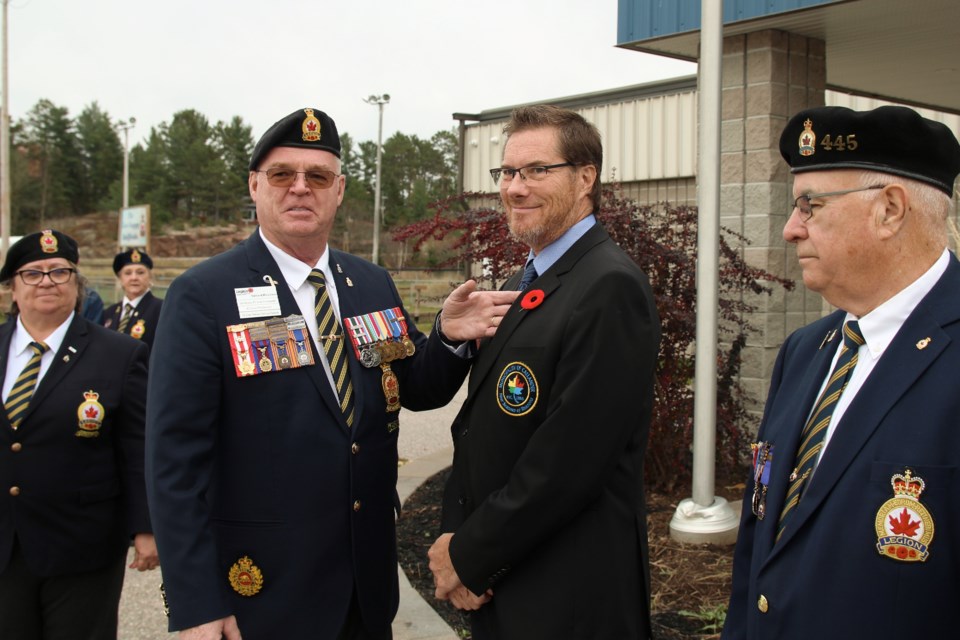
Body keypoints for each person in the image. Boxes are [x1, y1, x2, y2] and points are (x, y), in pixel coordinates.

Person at [145, 107, 516, 640]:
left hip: (363, 587)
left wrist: (450, 339)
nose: (300, 188)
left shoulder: (368, 283)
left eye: (317, 176)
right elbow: (173, 460)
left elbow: (413, 386)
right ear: (255, 186)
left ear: (338, 190)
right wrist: (195, 600)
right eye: (282, 175)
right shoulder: (204, 295)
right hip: (263, 590)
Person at [722, 106, 960, 639]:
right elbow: (759, 545)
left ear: (890, 210)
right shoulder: (806, 351)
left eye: (810, 206)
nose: (789, 229)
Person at [427, 105, 662, 639]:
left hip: (567, 592)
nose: (514, 188)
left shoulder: (608, 286)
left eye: (536, 170)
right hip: (510, 580)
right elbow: (486, 426)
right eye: (507, 173)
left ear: (585, 179)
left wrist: (468, 554)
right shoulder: (524, 279)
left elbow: (568, 462)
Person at [0, 229, 158, 640]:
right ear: (12, 287)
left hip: (82, 541)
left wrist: (146, 526)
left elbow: (137, 445)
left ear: (77, 282)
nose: (47, 281)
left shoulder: (119, 354)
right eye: (32, 274)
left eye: (59, 271)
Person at [103, 248, 163, 349]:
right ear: (120, 278)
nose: (134, 278)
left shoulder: (161, 309)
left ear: (150, 277)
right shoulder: (109, 312)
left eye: (140, 272)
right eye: (127, 273)